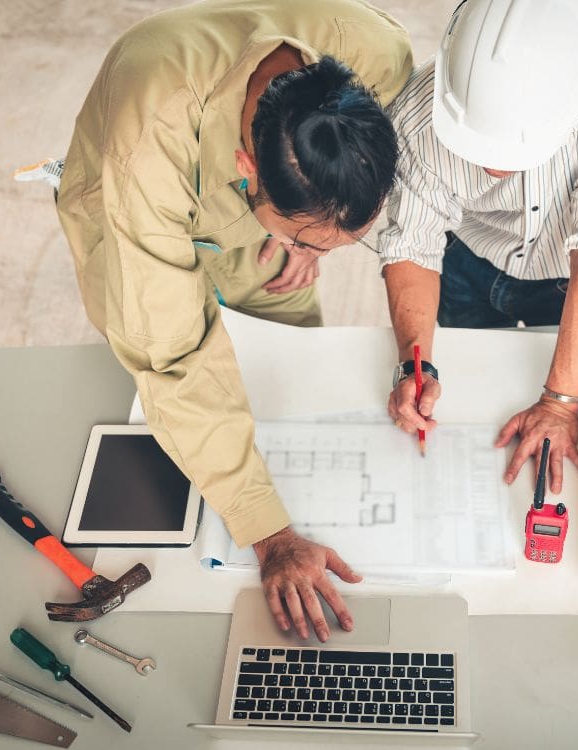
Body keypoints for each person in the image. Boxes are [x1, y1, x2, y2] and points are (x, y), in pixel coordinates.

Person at [55, 0, 413, 642]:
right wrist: (268, 531)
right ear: (247, 170)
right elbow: (174, 355)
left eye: (338, 244)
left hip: (263, 230)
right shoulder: (150, 147)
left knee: (289, 363)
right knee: (167, 369)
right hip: (137, 221)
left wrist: (305, 240)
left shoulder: (377, 53)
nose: (321, 257)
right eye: (312, 238)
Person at [379, 0, 578, 493]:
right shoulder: (417, 114)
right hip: (467, 264)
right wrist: (417, 367)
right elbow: (413, 242)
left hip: (572, 280)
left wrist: (560, 403)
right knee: (474, 396)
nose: (493, 167)